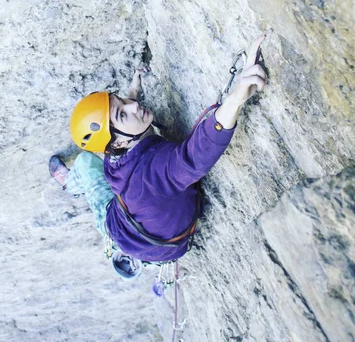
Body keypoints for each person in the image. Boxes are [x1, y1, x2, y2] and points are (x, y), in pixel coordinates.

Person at [50, 35, 267, 275]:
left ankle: (77, 188)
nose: (132, 106)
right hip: (126, 229)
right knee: (85, 162)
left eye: (122, 101)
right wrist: (236, 98)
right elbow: (195, 156)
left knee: (90, 164)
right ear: (120, 142)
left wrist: (134, 89)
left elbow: (124, 126)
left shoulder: (117, 149)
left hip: (161, 244)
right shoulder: (154, 173)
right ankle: (71, 184)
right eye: (122, 113)